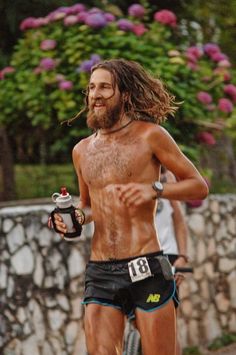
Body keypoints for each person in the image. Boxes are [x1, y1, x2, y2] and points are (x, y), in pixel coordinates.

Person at [52, 58, 208, 355]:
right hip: (100, 271)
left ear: (124, 94)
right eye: (91, 88)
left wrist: (155, 189)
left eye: (105, 88)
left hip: (146, 266)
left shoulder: (150, 136)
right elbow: (89, 206)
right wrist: (74, 218)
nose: (95, 95)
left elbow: (198, 185)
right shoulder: (82, 151)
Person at [155, 166, 190, 355]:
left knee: (168, 326)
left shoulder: (167, 177)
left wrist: (183, 257)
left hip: (167, 256)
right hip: (137, 256)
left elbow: (179, 219)